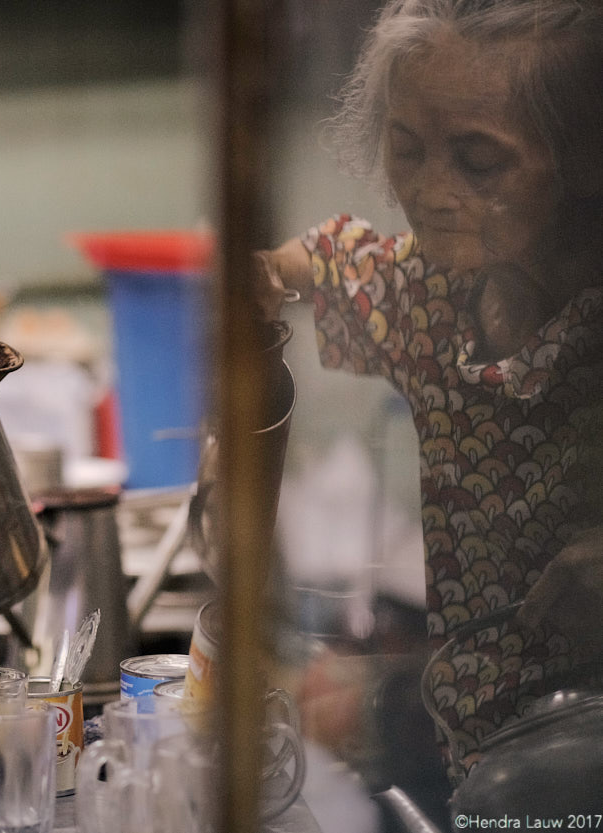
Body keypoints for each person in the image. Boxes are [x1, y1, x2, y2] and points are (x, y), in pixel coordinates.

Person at [257, 0, 603, 789]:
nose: (432, 193)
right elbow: (337, 260)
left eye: (479, 162)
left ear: (587, 155)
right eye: (407, 150)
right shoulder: (434, 295)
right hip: (471, 745)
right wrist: (263, 277)